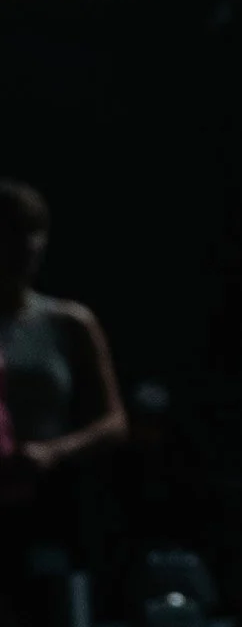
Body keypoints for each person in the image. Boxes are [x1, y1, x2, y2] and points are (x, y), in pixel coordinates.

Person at [0, 179, 128, 564]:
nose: (25, 245)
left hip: (52, 500)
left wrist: (53, 452)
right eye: (10, 232)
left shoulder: (68, 322)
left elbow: (114, 422)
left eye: (33, 232)